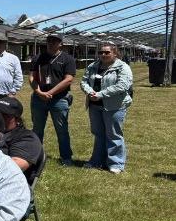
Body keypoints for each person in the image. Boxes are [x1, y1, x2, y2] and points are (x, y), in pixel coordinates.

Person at [80, 43, 133, 174]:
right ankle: (96, 161)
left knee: (114, 134)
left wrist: (100, 95)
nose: (103, 55)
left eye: (107, 52)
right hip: (94, 106)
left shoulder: (122, 67)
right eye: (101, 52)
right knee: (98, 134)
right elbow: (83, 81)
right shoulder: (93, 66)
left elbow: (122, 86)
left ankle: (116, 163)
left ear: (115, 54)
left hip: (114, 106)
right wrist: (89, 92)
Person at [30, 34, 77, 165]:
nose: (50, 43)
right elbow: (32, 77)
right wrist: (39, 92)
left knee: (62, 129)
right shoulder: (38, 58)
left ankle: (66, 157)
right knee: (37, 129)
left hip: (59, 99)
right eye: (49, 41)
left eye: (54, 41)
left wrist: (49, 93)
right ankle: (36, 157)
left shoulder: (67, 59)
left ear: (60, 44)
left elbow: (68, 80)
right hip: (38, 99)